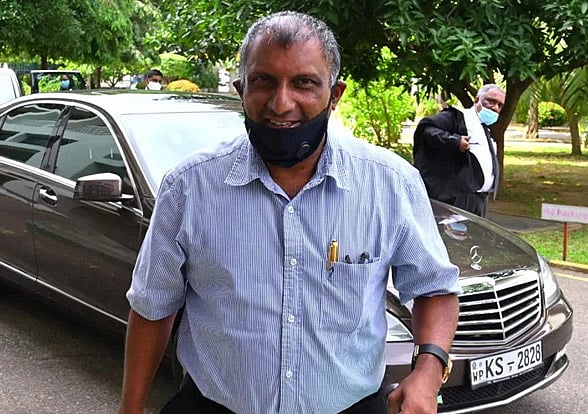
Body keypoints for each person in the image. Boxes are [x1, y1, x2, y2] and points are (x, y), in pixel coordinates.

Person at [120, 11, 460, 414]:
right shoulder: (188, 188)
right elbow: (153, 306)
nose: (281, 104)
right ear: (241, 89)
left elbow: (434, 288)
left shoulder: (391, 184)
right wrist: (131, 407)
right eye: (264, 81)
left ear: (335, 94)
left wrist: (428, 370)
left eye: (304, 83)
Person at [413, 84, 506, 217]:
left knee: (477, 231)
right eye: (491, 101)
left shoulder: (484, 128)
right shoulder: (459, 117)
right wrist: (455, 141)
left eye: (500, 105)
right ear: (477, 100)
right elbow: (426, 129)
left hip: (481, 201)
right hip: (460, 199)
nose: (495, 107)